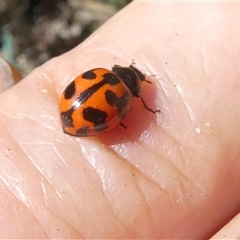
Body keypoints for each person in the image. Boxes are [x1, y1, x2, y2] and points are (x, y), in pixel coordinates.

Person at [0, 2, 239, 239]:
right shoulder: (124, 95)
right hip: (73, 116)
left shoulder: (108, 76)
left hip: (70, 110)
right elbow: (121, 111)